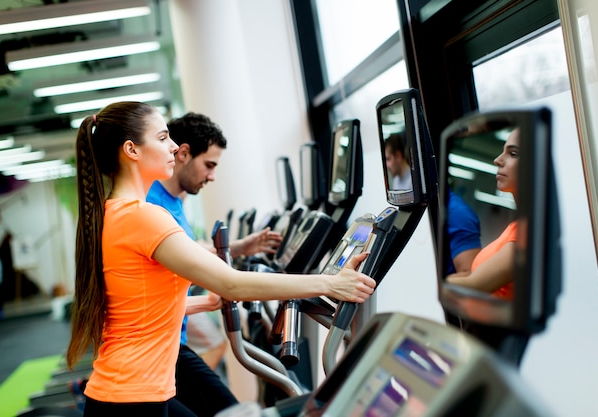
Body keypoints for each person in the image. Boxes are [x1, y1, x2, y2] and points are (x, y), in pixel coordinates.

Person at [66, 101, 376, 417]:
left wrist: (205, 303)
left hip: (129, 390)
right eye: (162, 138)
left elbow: (135, 310)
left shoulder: (113, 214)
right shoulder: (143, 217)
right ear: (131, 150)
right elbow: (233, 283)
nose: (173, 147)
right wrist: (332, 284)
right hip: (131, 399)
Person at [146, 112, 283, 416]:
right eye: (209, 165)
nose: (212, 176)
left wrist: (238, 246)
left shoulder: (175, 199)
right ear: (183, 153)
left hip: (171, 343)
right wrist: (328, 284)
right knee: (229, 410)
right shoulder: (151, 204)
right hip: (157, 350)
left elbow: (186, 250)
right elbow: (191, 263)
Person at [446, 128, 519, 299]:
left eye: (513, 153)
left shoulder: (528, 231)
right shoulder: (516, 227)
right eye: (503, 152)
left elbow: (474, 285)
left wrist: (424, 282)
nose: (497, 160)